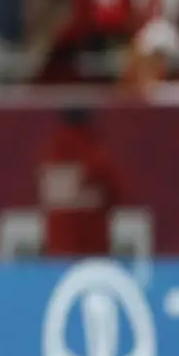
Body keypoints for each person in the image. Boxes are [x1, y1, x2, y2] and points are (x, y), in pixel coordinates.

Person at [36, 108, 123, 258]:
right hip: (91, 248)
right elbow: (116, 191)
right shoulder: (93, 155)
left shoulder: (49, 156)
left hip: (57, 247)